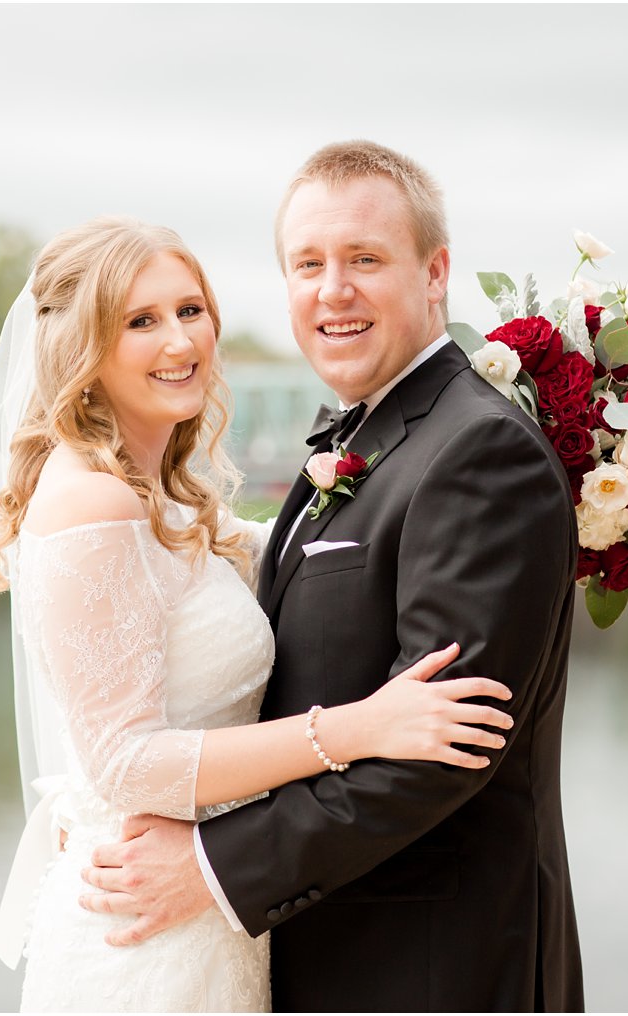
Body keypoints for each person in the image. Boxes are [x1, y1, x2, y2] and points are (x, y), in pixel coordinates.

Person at [80, 142, 585, 1012]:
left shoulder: (478, 451)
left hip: (432, 971)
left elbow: (442, 752)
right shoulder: (369, 440)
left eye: (364, 260)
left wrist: (210, 866)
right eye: (307, 264)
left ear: (436, 274)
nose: (332, 291)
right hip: (328, 953)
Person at [0, 216, 517, 1011]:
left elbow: (309, 560)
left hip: (209, 917)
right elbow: (124, 762)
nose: (180, 341)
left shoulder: (161, 495)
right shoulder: (92, 499)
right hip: (142, 935)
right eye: (140, 321)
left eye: (190, 310)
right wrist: (357, 729)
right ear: (82, 351)